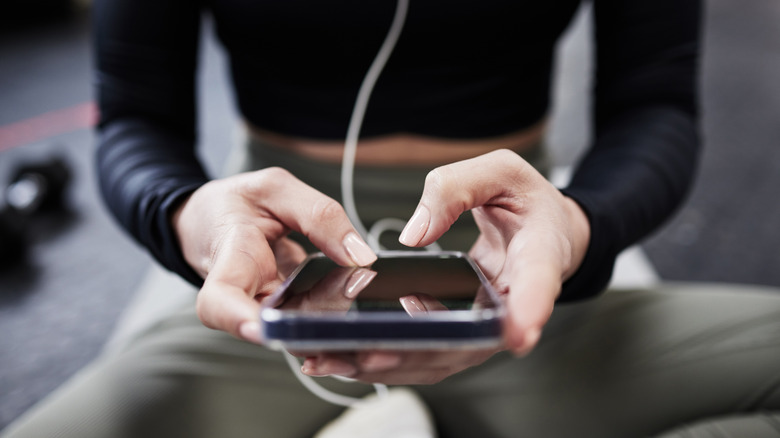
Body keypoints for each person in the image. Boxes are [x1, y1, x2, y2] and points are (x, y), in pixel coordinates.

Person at [3, 0, 780, 437]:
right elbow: (134, 114)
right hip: (280, 269)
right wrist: (187, 214)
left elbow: (655, 102)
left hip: (516, 270)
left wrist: (581, 223)